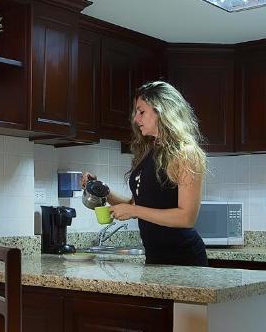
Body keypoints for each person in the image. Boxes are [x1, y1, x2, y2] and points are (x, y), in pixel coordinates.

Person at [81, 81, 209, 266]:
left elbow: (186, 217)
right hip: (155, 258)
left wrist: (134, 210)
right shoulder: (150, 150)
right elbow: (137, 205)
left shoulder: (186, 153)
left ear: (162, 111)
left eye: (141, 112)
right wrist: (102, 191)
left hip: (185, 258)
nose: (136, 119)